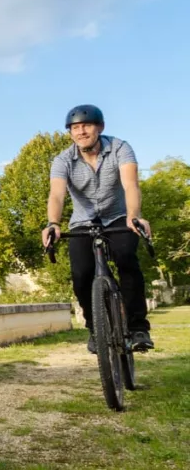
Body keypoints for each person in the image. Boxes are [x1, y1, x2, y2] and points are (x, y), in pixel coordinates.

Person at [41, 104, 154, 354]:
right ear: (70, 133)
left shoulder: (120, 148)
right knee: (81, 274)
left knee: (126, 259)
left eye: (87, 126)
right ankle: (95, 327)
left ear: (100, 127)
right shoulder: (62, 160)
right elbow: (57, 195)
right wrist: (53, 224)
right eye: (75, 128)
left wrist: (134, 217)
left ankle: (138, 327)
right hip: (82, 222)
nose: (81, 132)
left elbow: (131, 185)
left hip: (118, 217)